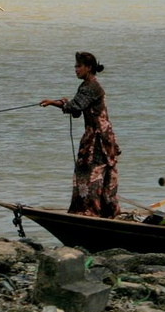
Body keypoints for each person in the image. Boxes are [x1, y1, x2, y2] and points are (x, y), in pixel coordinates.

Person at [41, 52, 121, 218]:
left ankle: (91, 212)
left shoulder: (91, 87)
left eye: (79, 66)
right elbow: (78, 109)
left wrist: (54, 103)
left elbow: (75, 107)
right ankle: (104, 211)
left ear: (88, 68)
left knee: (91, 173)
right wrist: (64, 103)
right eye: (75, 66)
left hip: (98, 138)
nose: (76, 69)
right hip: (101, 136)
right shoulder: (88, 85)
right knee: (98, 173)